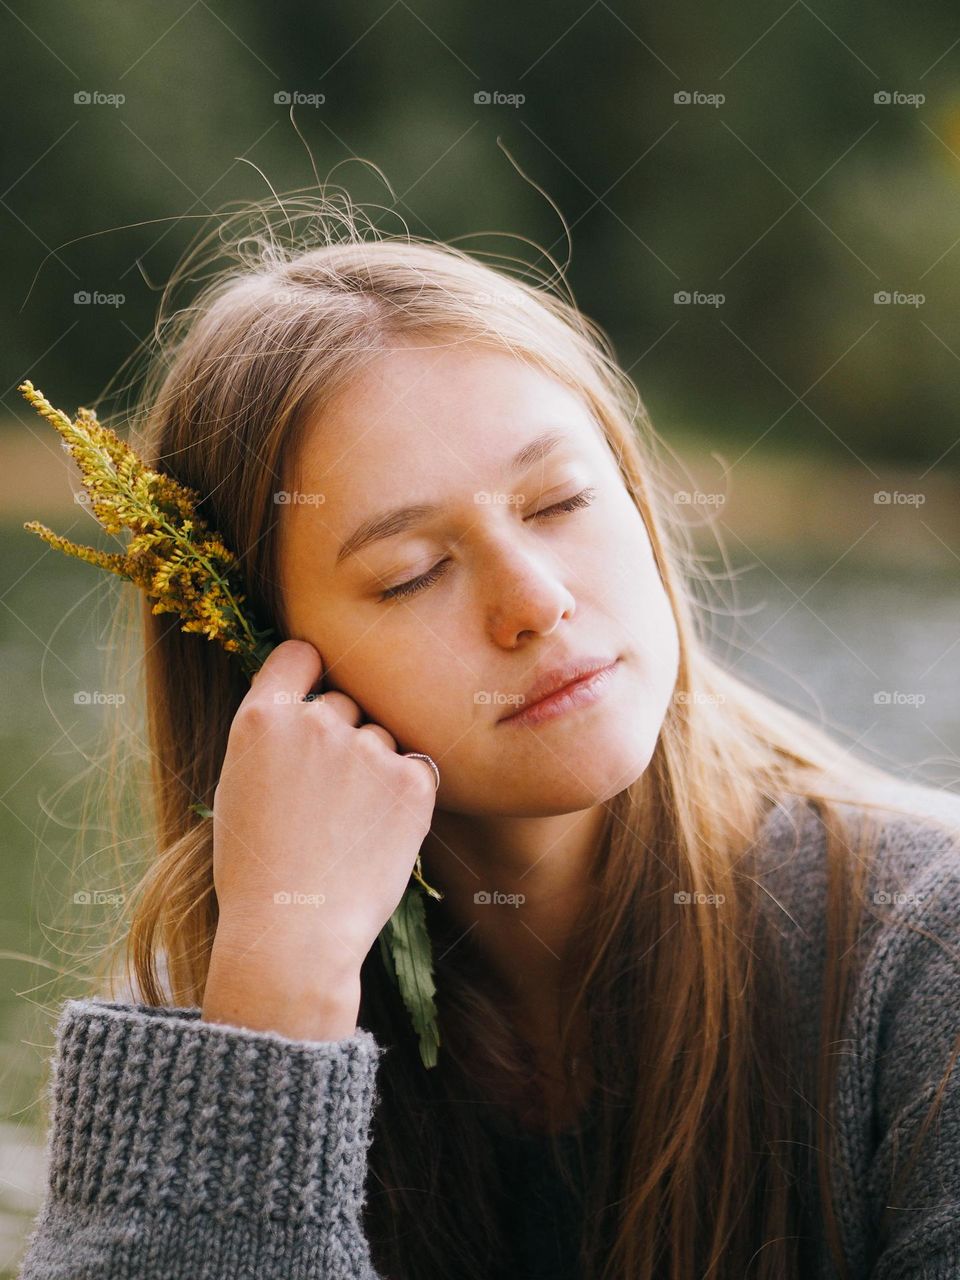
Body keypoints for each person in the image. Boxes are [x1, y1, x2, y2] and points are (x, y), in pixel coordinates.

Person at [16, 198, 960, 1280]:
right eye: (412, 571)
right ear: (262, 664)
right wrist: (274, 1021)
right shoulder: (210, 1010)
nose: (536, 599)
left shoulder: (926, 958)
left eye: (561, 500)